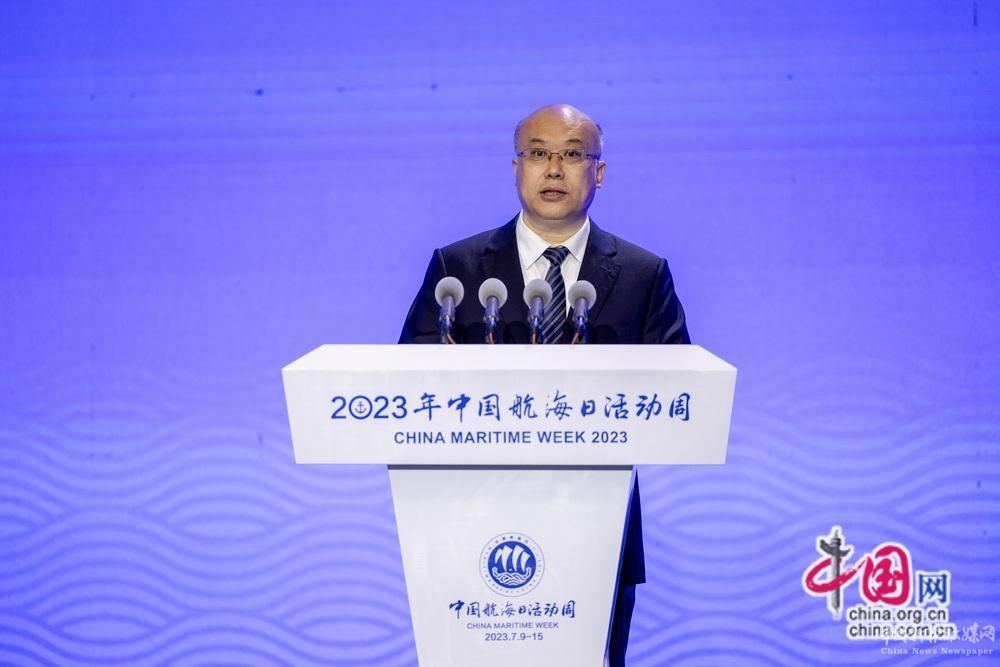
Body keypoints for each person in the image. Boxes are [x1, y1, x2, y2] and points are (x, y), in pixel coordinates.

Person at [399, 103, 690, 666]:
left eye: (572, 154)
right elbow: (411, 385)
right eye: (537, 153)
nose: (553, 168)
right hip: (468, 520)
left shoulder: (643, 273)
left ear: (599, 171)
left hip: (598, 525)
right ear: (516, 168)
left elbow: (677, 394)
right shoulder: (457, 267)